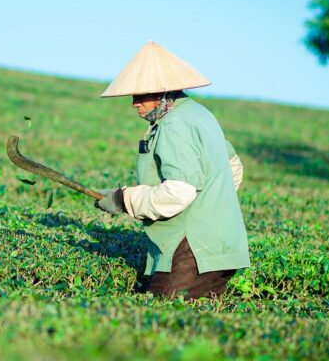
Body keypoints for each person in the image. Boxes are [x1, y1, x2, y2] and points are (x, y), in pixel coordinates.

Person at [94, 41, 250, 300]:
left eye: (141, 95)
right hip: (219, 245)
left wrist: (124, 199)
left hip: (193, 251)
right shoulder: (199, 115)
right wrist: (211, 208)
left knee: (160, 318)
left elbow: (179, 191)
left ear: (163, 92)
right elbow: (232, 166)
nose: (134, 103)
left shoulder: (174, 125)